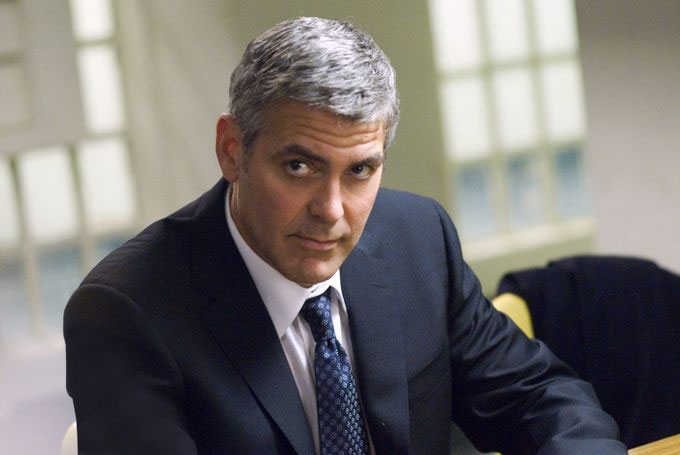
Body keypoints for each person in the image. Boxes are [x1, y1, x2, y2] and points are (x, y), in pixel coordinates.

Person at [64, 16, 627, 454]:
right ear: (232, 150)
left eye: (360, 170)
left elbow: (537, 397)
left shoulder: (416, 239)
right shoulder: (124, 312)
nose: (331, 211)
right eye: (299, 167)